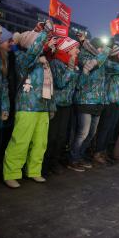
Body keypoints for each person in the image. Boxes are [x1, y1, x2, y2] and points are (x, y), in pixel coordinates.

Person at [3, 21, 56, 188]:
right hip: (27, 106)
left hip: (42, 107)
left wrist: (51, 106)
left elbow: (50, 85)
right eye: (38, 42)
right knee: (20, 141)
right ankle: (11, 173)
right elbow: (33, 52)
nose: (43, 45)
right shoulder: (22, 58)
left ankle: (34, 170)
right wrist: (44, 34)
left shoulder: (44, 62)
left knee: (40, 142)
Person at [68, 37, 111, 172]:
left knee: (91, 134)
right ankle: (73, 159)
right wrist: (106, 50)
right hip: (85, 99)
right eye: (99, 47)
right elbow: (92, 64)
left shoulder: (102, 57)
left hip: (98, 101)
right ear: (93, 46)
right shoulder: (84, 55)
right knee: (83, 133)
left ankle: (80, 155)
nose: (101, 49)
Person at [43, 37, 80, 175]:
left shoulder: (74, 64)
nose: (78, 50)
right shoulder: (56, 63)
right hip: (56, 104)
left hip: (67, 104)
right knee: (52, 135)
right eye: (75, 48)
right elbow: (60, 82)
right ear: (67, 49)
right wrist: (70, 68)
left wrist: (74, 68)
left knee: (61, 136)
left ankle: (55, 161)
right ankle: (45, 163)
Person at [93, 44, 119, 165]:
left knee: (111, 130)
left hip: (117, 101)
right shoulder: (109, 64)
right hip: (109, 101)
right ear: (116, 54)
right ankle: (97, 153)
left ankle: (104, 152)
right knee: (105, 129)